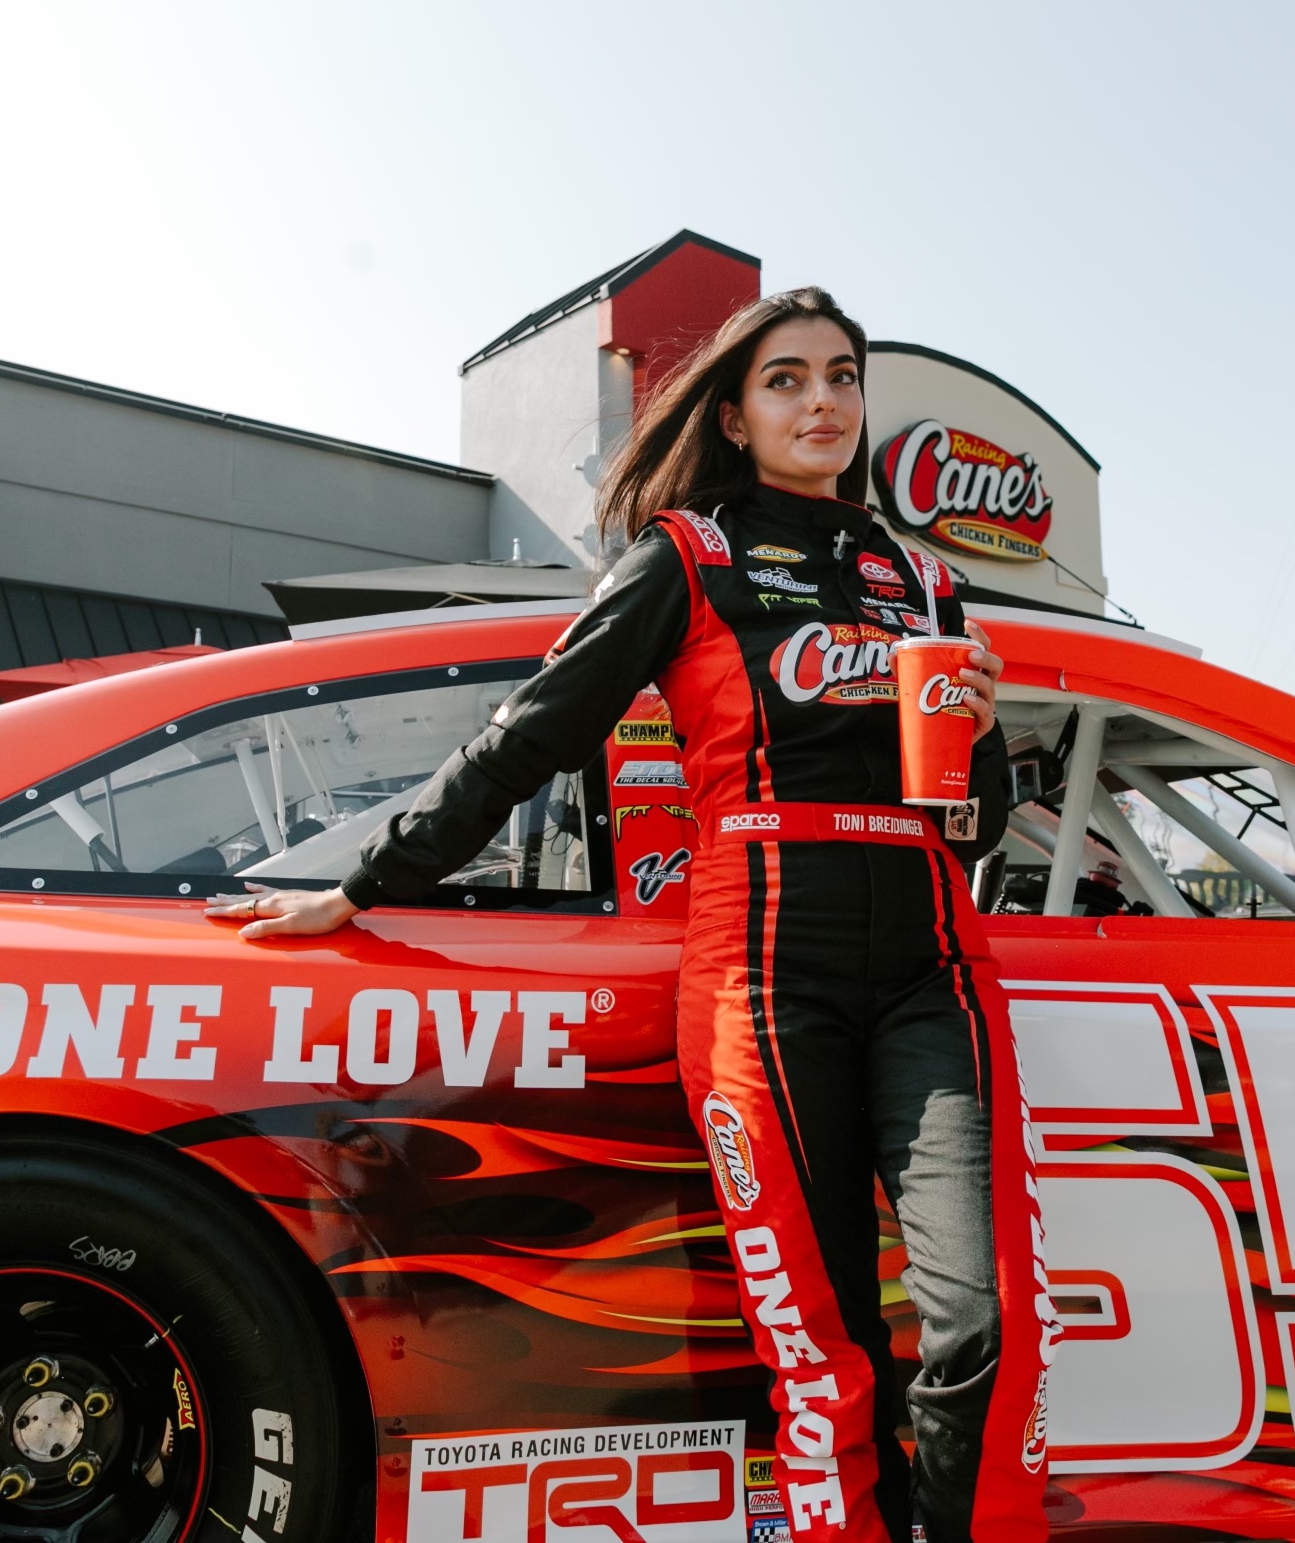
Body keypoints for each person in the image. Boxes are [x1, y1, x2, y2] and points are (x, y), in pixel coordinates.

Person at [209, 288, 1053, 1543]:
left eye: (842, 376)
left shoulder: (923, 582)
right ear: (735, 416)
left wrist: (981, 736)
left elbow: (972, 826)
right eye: (786, 380)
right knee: (823, 1344)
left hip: (934, 961)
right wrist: (368, 881)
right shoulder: (688, 556)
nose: (822, 400)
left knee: (991, 1315)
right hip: (765, 969)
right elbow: (531, 734)